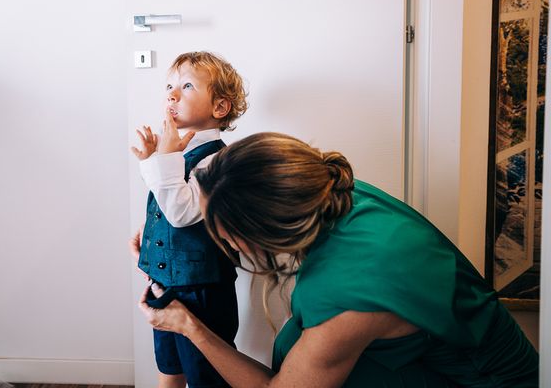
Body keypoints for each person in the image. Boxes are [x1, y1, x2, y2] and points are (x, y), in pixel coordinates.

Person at [138, 132, 539, 387]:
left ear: (261, 230)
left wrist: (190, 327)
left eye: (220, 232)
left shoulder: (350, 302)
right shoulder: (331, 191)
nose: (217, 239)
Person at [129, 51, 248, 388]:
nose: (171, 94)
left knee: (204, 374)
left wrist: (163, 158)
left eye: (186, 86)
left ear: (219, 108)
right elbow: (165, 201)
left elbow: (181, 213)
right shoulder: (177, 152)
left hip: (202, 288)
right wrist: (153, 159)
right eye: (169, 86)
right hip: (166, 281)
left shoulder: (218, 161)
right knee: (169, 365)